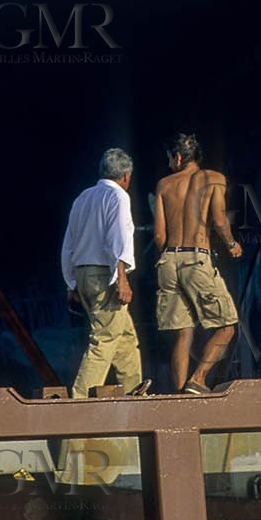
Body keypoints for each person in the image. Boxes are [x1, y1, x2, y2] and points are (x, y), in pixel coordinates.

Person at [152, 132, 242, 394]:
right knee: (226, 327)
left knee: (183, 332)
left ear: (178, 157)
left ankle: (181, 394)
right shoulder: (214, 179)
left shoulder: (164, 185)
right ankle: (198, 379)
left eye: (169, 158)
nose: (169, 163)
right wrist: (232, 245)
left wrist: (171, 254)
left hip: (168, 261)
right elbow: (219, 219)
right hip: (196, 258)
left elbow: (159, 236)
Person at [61, 148, 146, 397]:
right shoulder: (118, 196)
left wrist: (71, 283)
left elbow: (69, 244)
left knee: (126, 338)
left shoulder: (82, 198)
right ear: (126, 176)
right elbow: (119, 238)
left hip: (83, 273)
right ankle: (80, 398)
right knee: (105, 336)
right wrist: (122, 279)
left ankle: (134, 393)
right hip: (104, 275)